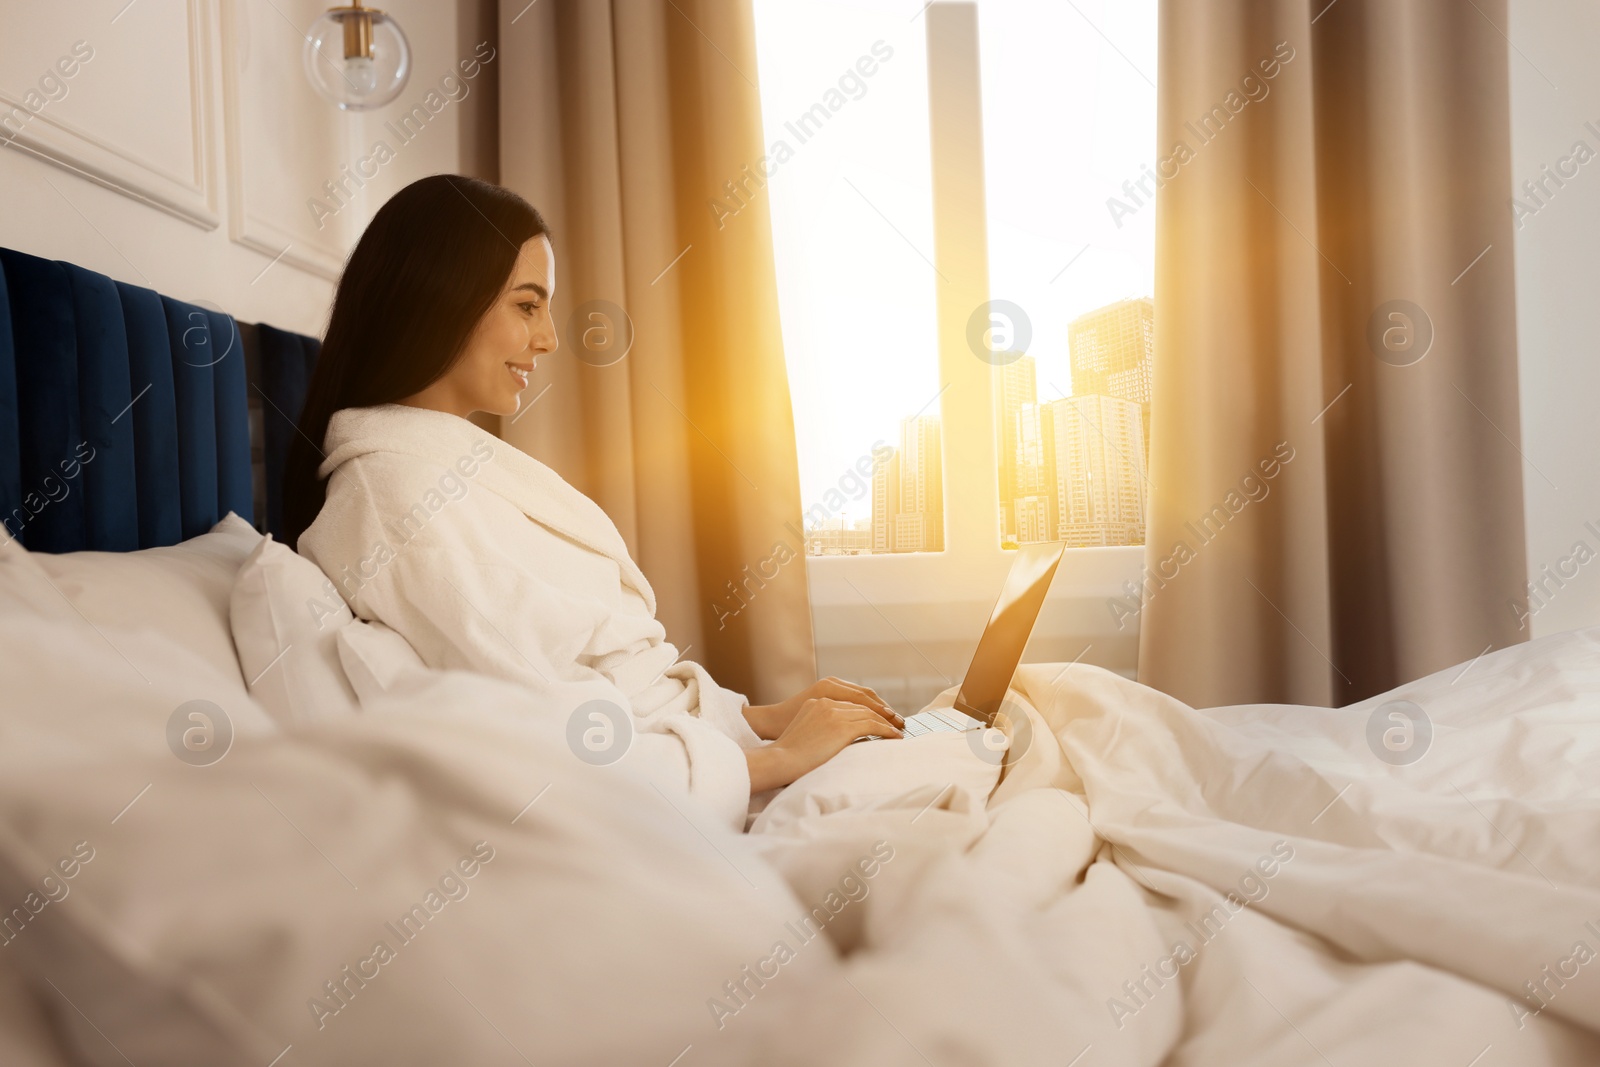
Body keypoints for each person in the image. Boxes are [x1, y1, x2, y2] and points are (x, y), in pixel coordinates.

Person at [284, 175, 902, 830]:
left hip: (711, 757)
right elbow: (552, 739)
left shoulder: (452, 466)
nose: (549, 338)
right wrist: (776, 760)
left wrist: (763, 719)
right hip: (687, 797)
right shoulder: (393, 500)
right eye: (527, 307)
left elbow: (614, 678)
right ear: (441, 298)